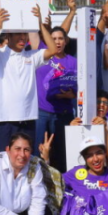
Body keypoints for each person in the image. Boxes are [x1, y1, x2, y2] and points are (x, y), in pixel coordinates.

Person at [0, 6, 57, 157]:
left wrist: (39, 24)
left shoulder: (31, 56)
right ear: (9, 35)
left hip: (27, 120)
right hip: (4, 121)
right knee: (2, 164)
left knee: (25, 164)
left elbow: (53, 49)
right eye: (18, 34)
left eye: (25, 33)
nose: (23, 37)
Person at [36, 24, 77, 169]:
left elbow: (77, 91)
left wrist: (69, 94)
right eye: (53, 39)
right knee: (38, 152)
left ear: (66, 41)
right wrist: (40, 19)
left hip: (63, 113)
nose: (57, 42)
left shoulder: (73, 62)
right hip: (41, 112)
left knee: (62, 154)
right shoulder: (40, 55)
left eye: (61, 38)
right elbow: (33, 32)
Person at [69, 89, 108, 165]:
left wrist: (105, 129)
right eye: (98, 102)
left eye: (105, 103)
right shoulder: (83, 123)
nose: (101, 105)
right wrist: (72, 130)